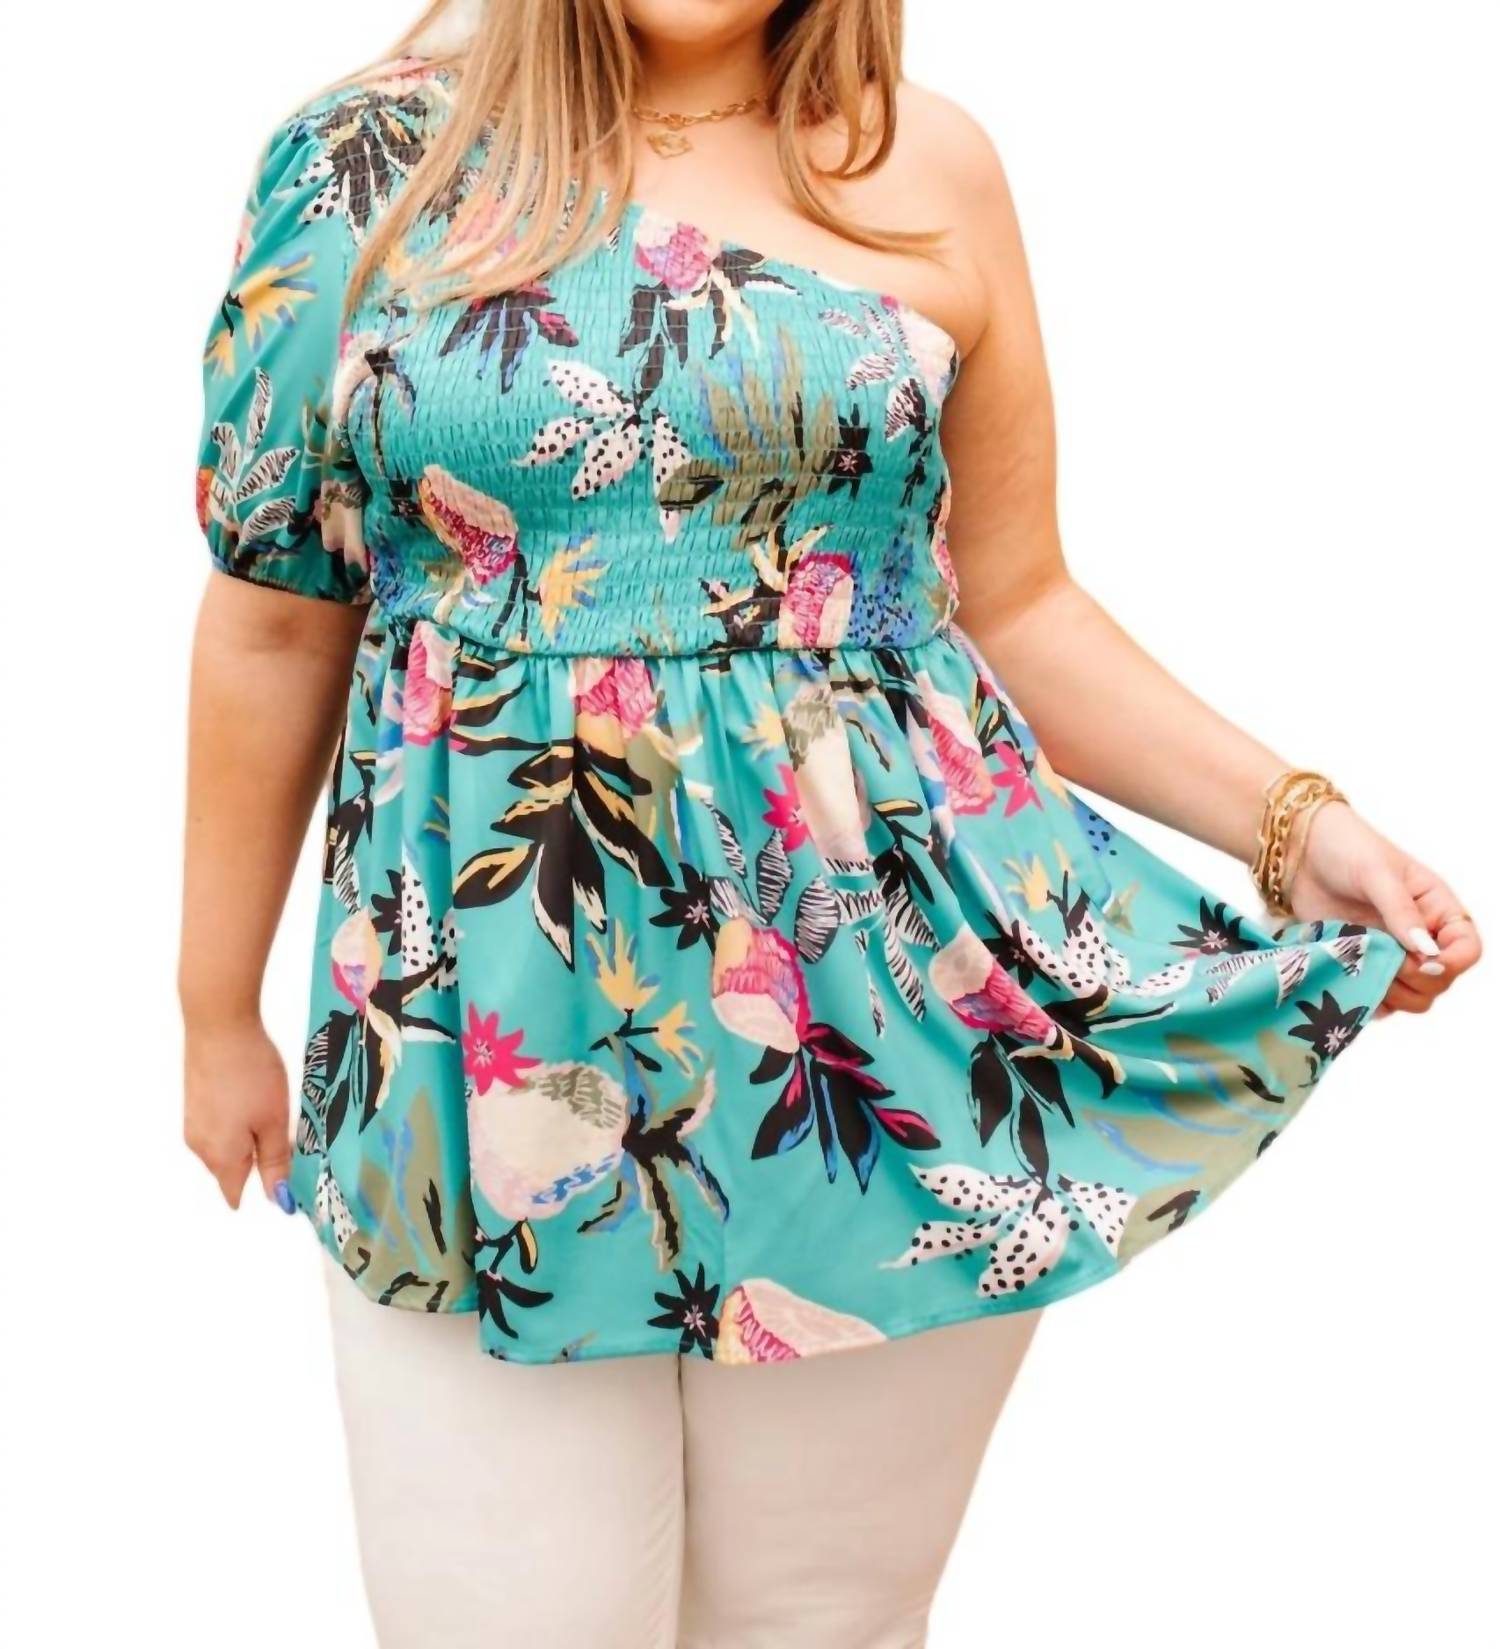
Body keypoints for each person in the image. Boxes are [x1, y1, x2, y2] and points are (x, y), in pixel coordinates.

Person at [180, 2, 1480, 1643]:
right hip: (472, 1042)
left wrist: (1300, 826)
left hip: (876, 1045)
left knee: (821, 1625)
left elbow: (1018, 602)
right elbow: (274, 616)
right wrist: (210, 1006)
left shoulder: (928, 169)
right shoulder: (364, 169)